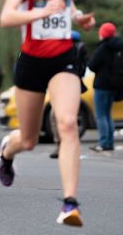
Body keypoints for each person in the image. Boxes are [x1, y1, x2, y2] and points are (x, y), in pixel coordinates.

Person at [0, 0, 95, 226]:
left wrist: (77, 17)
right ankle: (6, 153)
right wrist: (42, 14)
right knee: (28, 140)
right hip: (32, 62)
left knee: (67, 123)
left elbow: (63, 5)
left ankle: (69, 203)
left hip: (64, 58)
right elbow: (8, 17)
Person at [87, 22, 123, 152]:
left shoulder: (103, 48)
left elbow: (92, 65)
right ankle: (109, 142)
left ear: (102, 34)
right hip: (114, 86)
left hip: (102, 85)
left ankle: (104, 142)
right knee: (107, 114)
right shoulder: (119, 46)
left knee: (100, 115)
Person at [49, 30, 87, 158]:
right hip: (71, 84)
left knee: (56, 116)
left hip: (65, 84)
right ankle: (67, 145)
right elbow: (83, 67)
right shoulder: (81, 48)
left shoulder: (69, 49)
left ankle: (63, 145)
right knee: (69, 117)